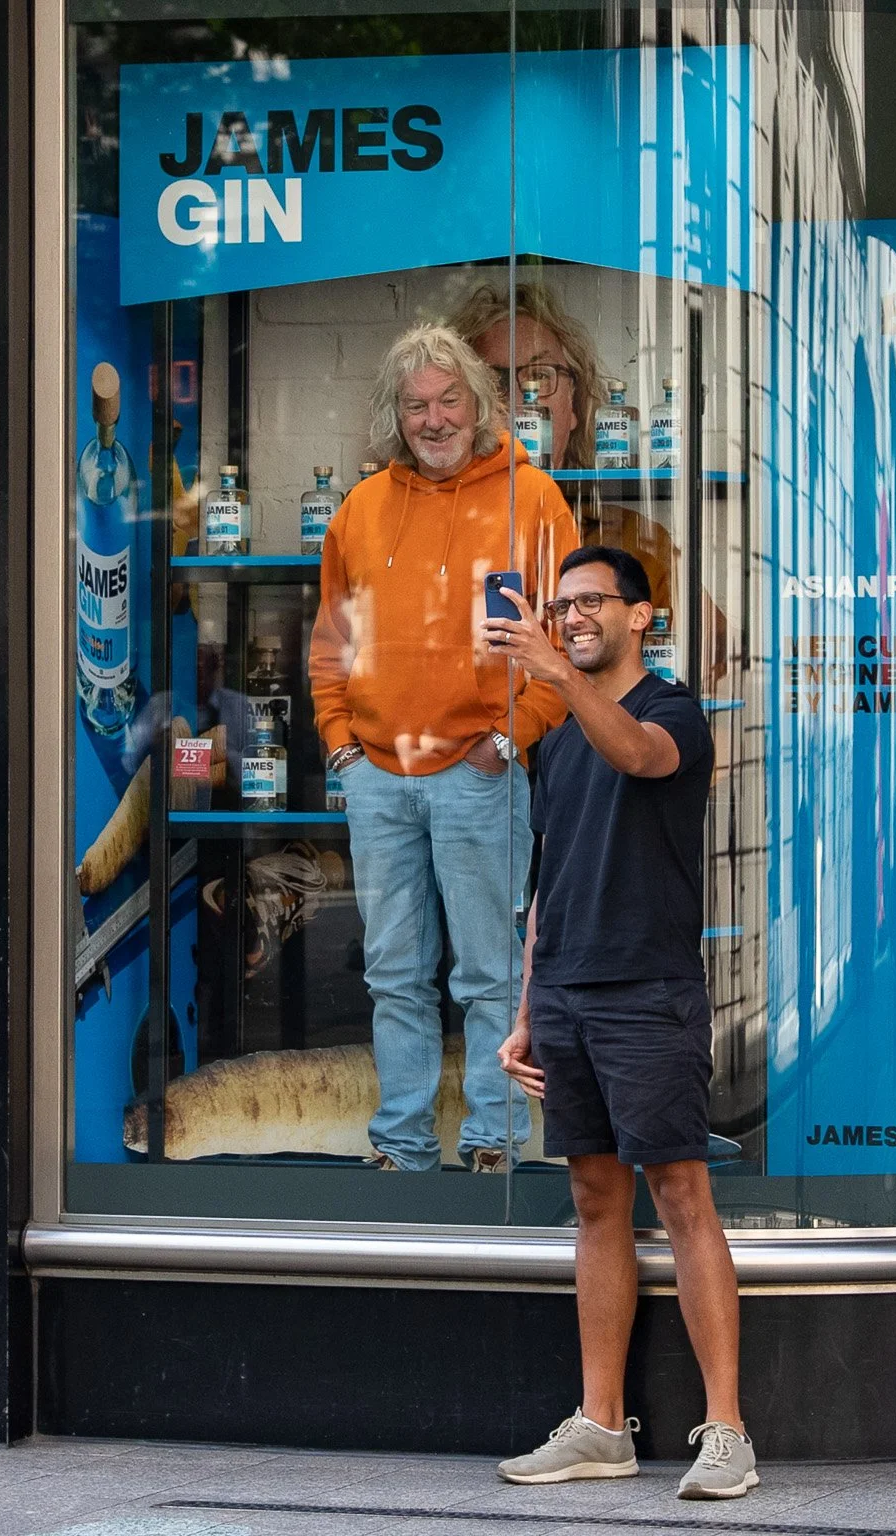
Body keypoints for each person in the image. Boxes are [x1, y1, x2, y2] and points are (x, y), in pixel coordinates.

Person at [487, 545, 754, 1499]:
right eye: (561, 607)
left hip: (647, 992)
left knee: (681, 1197)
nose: (572, 617)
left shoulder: (670, 711)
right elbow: (546, 891)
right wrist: (526, 1009)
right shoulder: (554, 742)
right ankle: (602, 1424)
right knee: (596, 1202)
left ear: (644, 615)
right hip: (565, 993)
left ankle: (726, 1430)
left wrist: (555, 673)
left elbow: (640, 758)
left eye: (591, 602)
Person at [309, 322, 580, 1172]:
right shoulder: (359, 509)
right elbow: (330, 641)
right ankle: (402, 1144)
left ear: (480, 402)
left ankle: (494, 1144)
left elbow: (568, 638)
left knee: (493, 977)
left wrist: (511, 736)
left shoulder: (532, 497)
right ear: (397, 415)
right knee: (393, 974)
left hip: (480, 773)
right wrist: (340, 746)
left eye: (449, 399)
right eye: (416, 404)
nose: (433, 418)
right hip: (378, 778)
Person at [452, 279, 603, 471]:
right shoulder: (446, 501)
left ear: (573, 400)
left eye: (540, 376)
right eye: (493, 382)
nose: (519, 406)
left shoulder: (602, 501)